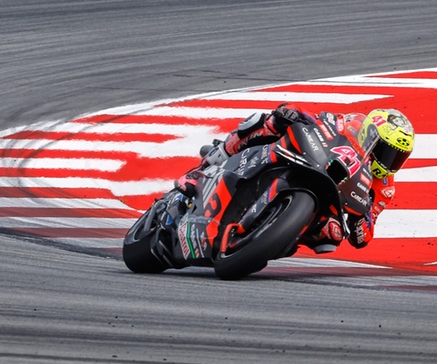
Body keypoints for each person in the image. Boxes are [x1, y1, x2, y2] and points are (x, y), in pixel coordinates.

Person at [175, 103, 415, 253]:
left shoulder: (384, 188)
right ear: (369, 133)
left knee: (331, 234)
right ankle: (203, 167)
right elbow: (319, 120)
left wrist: (362, 221)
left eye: (397, 157)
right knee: (267, 122)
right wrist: (292, 113)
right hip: (310, 160)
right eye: (386, 151)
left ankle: (270, 235)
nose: (388, 161)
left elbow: (365, 235)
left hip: (328, 203)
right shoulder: (349, 125)